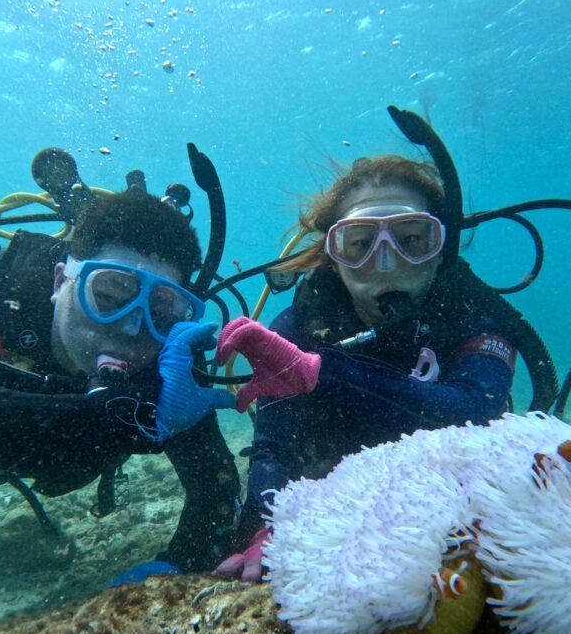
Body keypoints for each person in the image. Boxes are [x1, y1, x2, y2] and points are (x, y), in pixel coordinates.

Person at [0, 187, 240, 581]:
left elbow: (217, 490)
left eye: (161, 310)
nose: (131, 327)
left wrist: (182, 564)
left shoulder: (169, 351)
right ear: (60, 279)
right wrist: (132, 416)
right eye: (109, 295)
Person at [214, 155, 518, 580]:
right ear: (333, 257)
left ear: (441, 250)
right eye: (360, 244)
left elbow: (472, 410)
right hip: (332, 512)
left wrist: (324, 373)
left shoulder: (473, 317)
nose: (386, 261)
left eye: (411, 239)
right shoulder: (301, 326)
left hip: (458, 511)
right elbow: (274, 448)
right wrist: (266, 525)